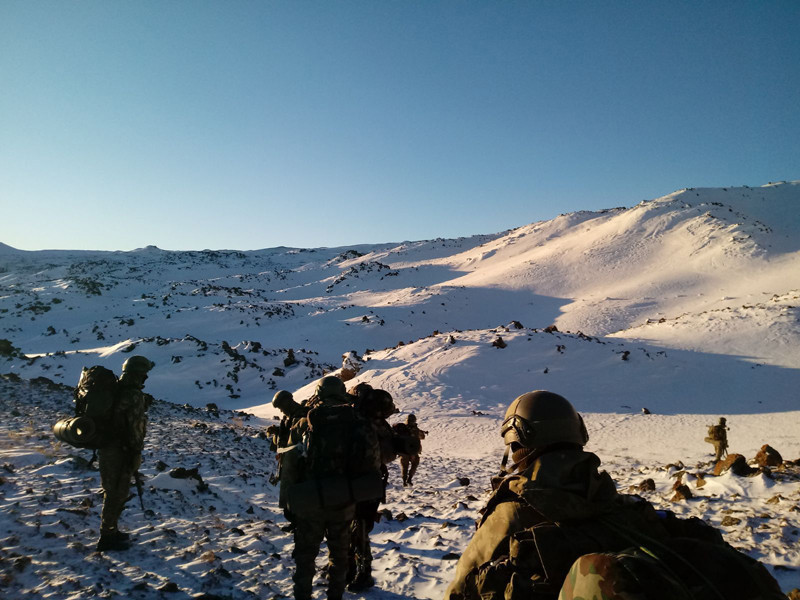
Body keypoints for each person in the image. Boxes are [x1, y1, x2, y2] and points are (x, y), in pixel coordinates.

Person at [444, 391, 783, 600]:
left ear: (517, 443)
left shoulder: (511, 516)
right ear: (579, 434)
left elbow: (459, 591)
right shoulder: (619, 505)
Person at [284, 376, 381, 600]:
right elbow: (372, 463)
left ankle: (303, 596)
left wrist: (289, 503)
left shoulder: (303, 423)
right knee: (339, 556)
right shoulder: (359, 423)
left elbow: (288, 467)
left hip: (309, 502)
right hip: (343, 501)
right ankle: (335, 596)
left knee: (305, 557)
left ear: (318, 394)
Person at [97, 355, 154, 552]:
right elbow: (136, 428)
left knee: (110, 490)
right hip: (121, 451)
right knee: (117, 493)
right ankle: (107, 536)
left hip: (105, 448)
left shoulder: (116, 390)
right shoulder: (133, 395)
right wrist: (136, 452)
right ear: (140, 374)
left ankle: (111, 531)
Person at [347, 383, 398, 591]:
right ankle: (360, 570)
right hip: (371, 483)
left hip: (348, 481)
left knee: (350, 526)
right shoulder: (380, 424)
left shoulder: (350, 418)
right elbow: (390, 454)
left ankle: (355, 570)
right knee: (360, 528)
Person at [396, 414, 427, 486]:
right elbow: (422, 437)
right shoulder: (416, 430)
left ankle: (404, 481)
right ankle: (409, 479)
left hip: (404, 451)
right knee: (414, 465)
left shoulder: (402, 429)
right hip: (413, 451)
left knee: (404, 467)